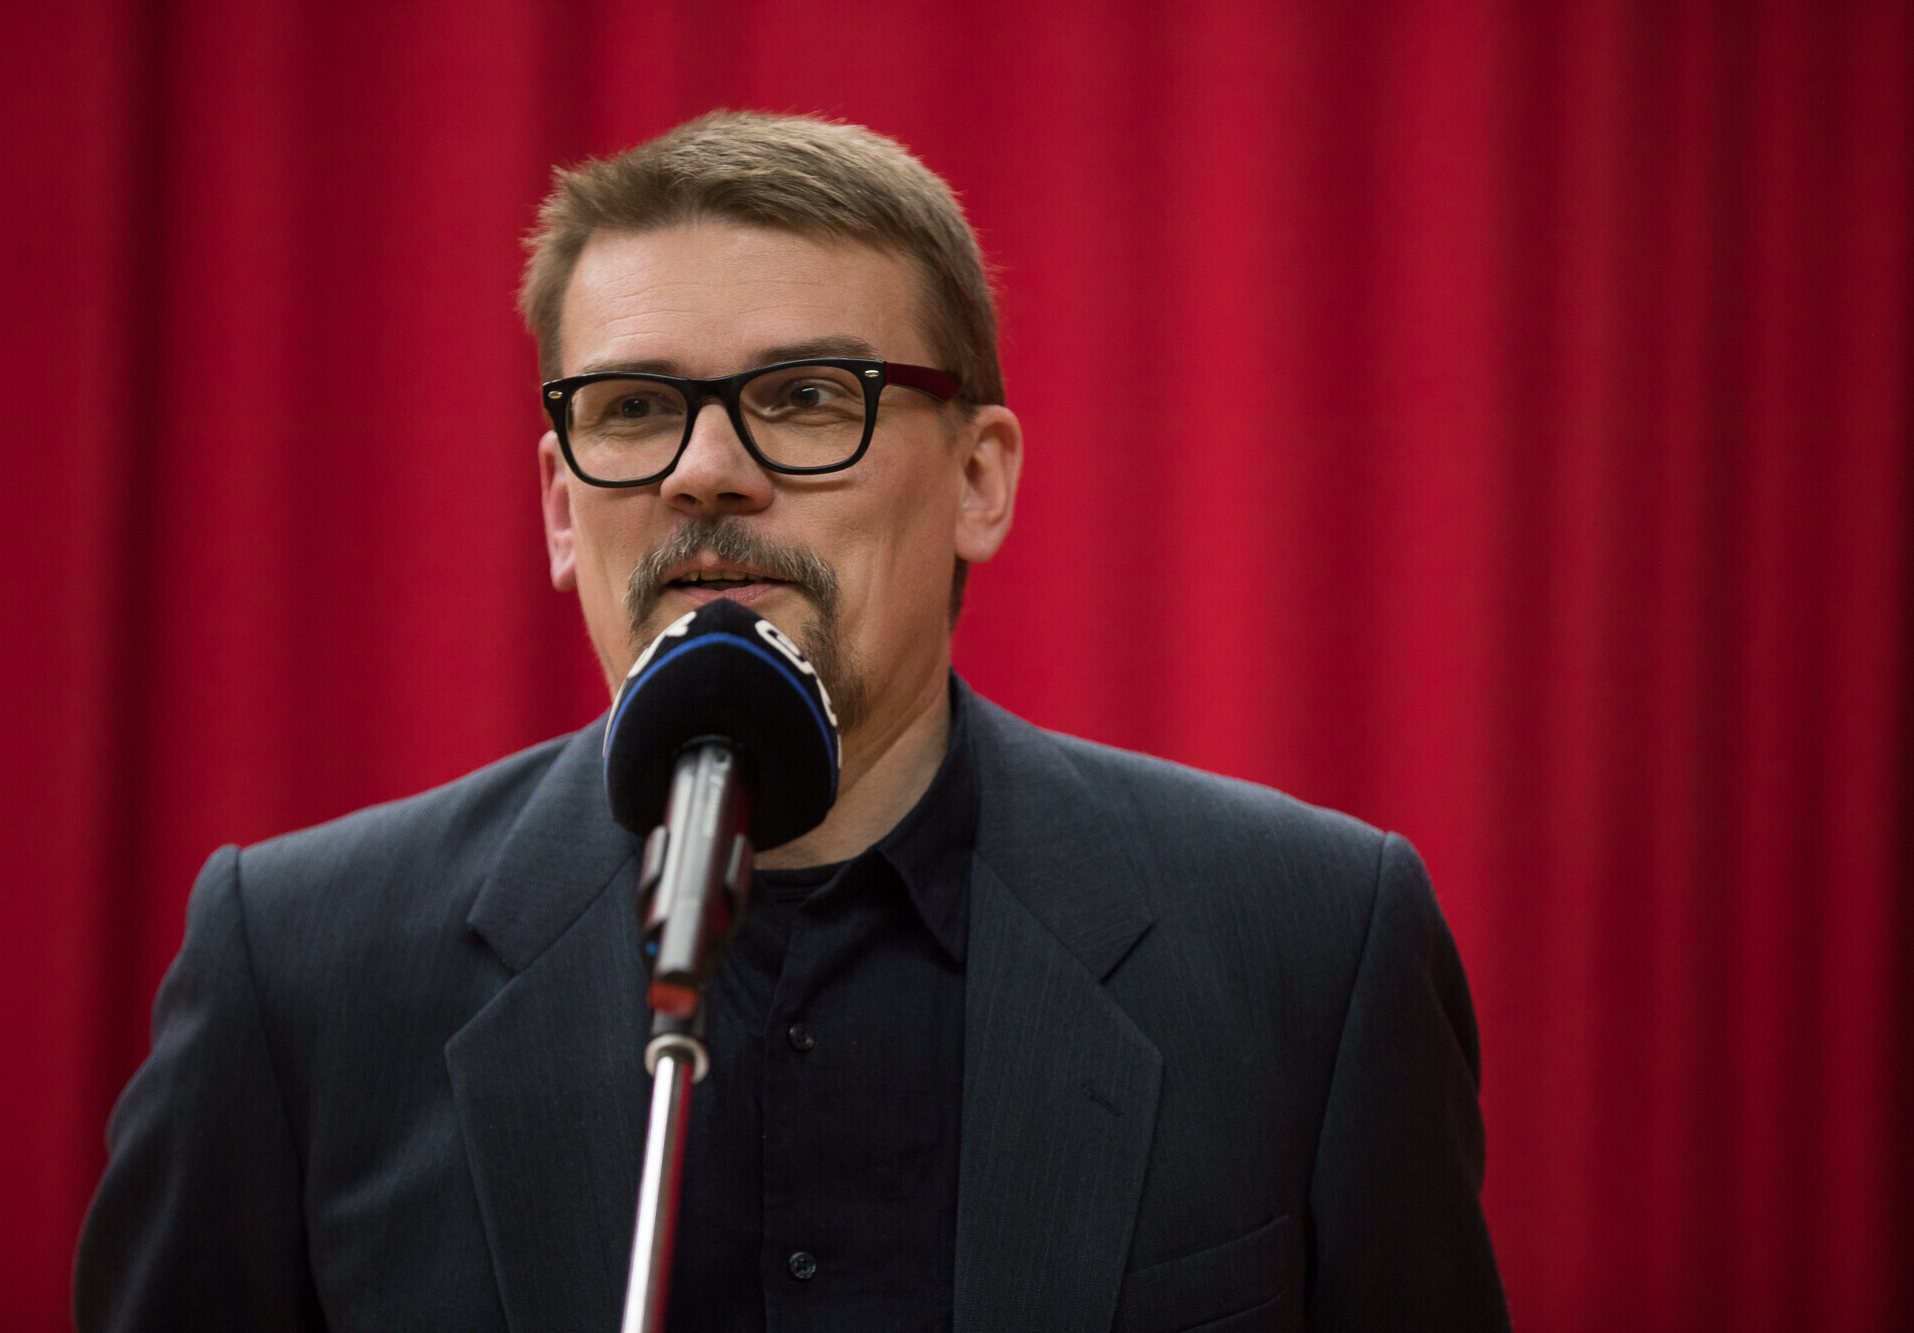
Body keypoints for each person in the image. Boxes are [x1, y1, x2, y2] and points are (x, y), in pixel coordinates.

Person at [75, 111, 1509, 1332]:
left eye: (809, 397)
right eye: (633, 408)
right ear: (562, 508)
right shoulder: (297, 975)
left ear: (980, 479)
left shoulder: (1312, 950)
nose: (705, 470)